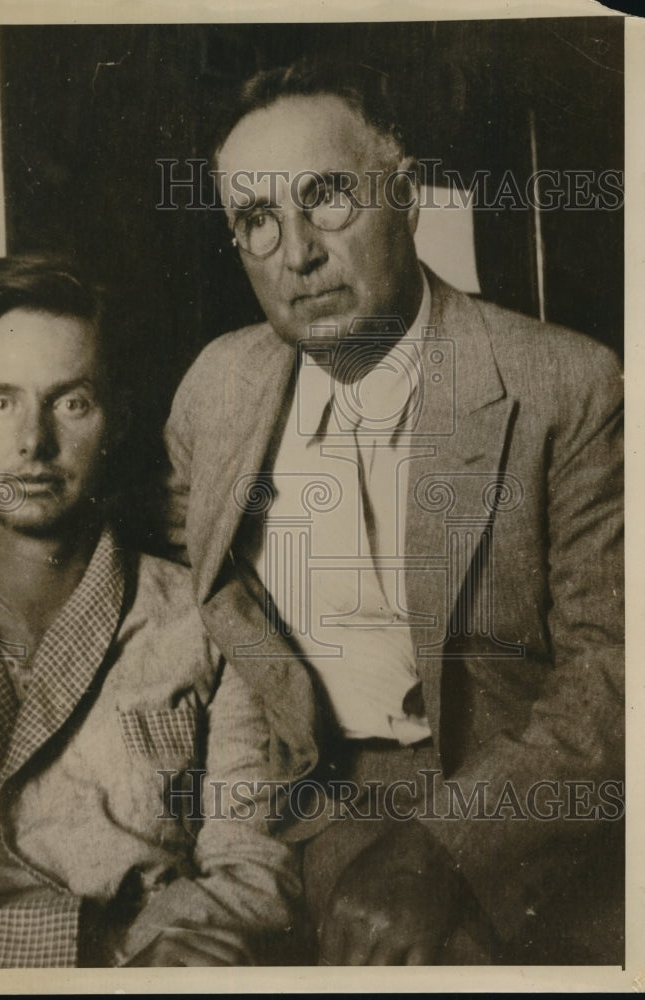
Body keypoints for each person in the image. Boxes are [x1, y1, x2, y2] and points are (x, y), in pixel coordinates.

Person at [161, 60, 624, 964]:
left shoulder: (568, 384)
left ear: (405, 197)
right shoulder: (215, 390)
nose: (296, 254)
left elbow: (615, 673)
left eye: (326, 198)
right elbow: (201, 612)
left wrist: (446, 847)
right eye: (256, 220)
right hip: (306, 808)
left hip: (517, 811)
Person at [0, 253, 300, 968]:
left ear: (113, 418)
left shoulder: (205, 624)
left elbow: (254, 876)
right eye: (1, 402)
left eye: (71, 402)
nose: (35, 441)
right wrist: (100, 949)